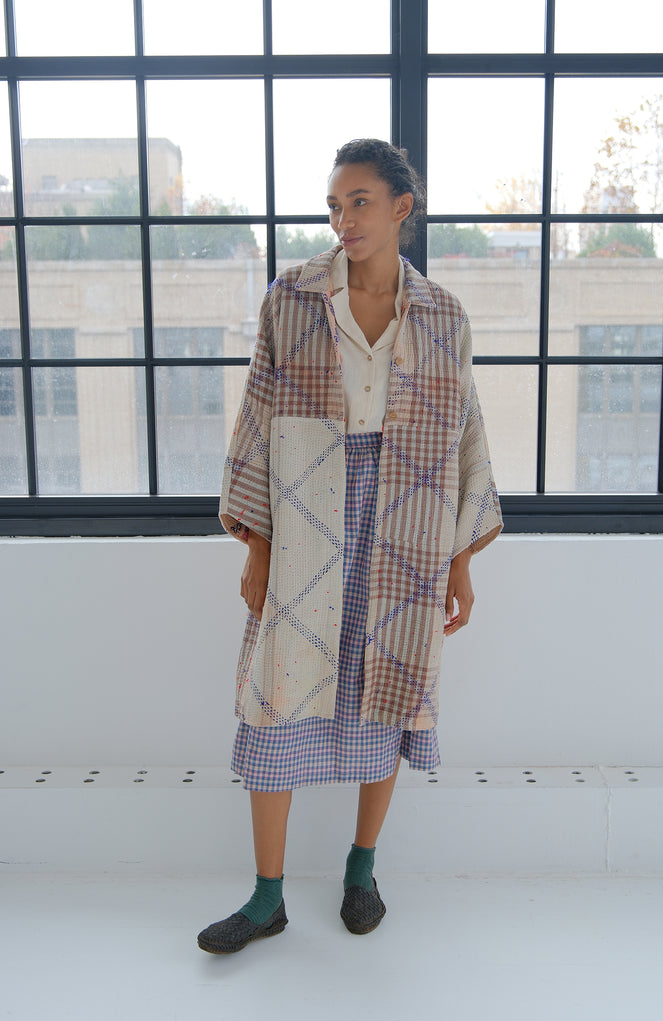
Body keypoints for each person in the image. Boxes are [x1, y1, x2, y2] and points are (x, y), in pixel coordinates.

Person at [197, 139, 502, 955]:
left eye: (359, 202)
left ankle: (361, 870)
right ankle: (266, 898)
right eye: (334, 205)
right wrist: (258, 546)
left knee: (387, 681)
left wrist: (459, 562)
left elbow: (463, 433)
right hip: (304, 505)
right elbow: (258, 416)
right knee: (277, 690)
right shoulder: (292, 297)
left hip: (409, 507)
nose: (343, 220)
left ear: (402, 207)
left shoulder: (441, 314)